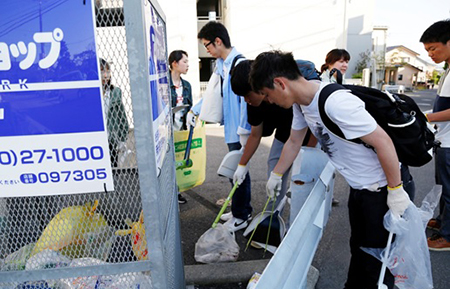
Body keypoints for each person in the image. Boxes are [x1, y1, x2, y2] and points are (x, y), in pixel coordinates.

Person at [249, 50, 411, 289]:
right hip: (360, 188)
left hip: (382, 189)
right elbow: (294, 141)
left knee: (376, 264)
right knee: (359, 250)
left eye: (267, 94)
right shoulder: (301, 104)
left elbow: (383, 142)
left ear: (280, 83)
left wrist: (395, 190)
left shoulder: (335, 103)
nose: (269, 101)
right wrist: (277, 173)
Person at [189, 21, 252, 232]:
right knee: (235, 172)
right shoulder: (222, 65)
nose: (206, 50)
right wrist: (195, 110)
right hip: (232, 129)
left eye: (207, 45)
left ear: (218, 41)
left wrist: (244, 130)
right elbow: (213, 95)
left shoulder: (239, 65)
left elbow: (247, 101)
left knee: (239, 173)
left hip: (239, 130)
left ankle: (242, 216)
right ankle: (239, 209)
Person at [228, 60, 294, 218]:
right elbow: (255, 134)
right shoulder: (254, 103)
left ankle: (279, 224)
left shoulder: (287, 97)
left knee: (296, 177)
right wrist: (242, 165)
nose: (245, 100)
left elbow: (297, 139)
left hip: (302, 134)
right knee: (274, 168)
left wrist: (285, 172)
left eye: (247, 94)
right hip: (286, 132)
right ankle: (270, 220)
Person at [420, 19, 450, 250]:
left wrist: (426, 118)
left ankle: (448, 236)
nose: (430, 54)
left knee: (449, 189)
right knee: (442, 186)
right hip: (443, 139)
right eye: (427, 50)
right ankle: (442, 222)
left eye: (433, 48)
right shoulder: (447, 69)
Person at [169, 50, 192, 204]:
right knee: (168, 162)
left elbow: (190, 105)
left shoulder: (187, 85)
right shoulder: (163, 83)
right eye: (184, 62)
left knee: (179, 161)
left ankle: (177, 191)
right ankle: (169, 192)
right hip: (167, 131)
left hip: (181, 128)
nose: (188, 65)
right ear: (174, 64)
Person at [100, 58, 129, 168]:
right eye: (102, 71)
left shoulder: (115, 92)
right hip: (95, 140)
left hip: (110, 140)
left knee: (113, 169)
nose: (106, 75)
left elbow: (122, 116)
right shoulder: (89, 94)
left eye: (108, 71)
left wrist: (122, 140)